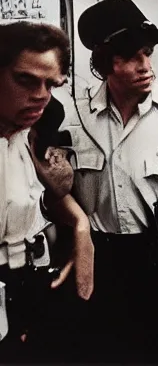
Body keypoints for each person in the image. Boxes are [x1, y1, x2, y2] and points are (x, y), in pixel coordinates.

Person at [66, 0, 158, 364]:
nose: (147, 67)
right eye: (132, 57)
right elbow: (56, 191)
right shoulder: (74, 115)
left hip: (153, 258)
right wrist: (80, 229)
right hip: (97, 257)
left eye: (148, 54)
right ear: (103, 64)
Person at [0, 21, 93, 362]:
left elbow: (46, 198)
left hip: (31, 285)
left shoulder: (32, 133)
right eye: (25, 79)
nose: (40, 95)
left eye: (50, 85)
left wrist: (81, 227)